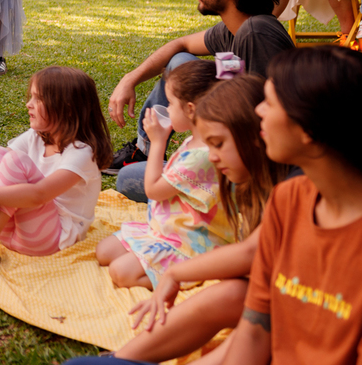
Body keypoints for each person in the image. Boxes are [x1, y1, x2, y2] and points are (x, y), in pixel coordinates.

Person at [71, 46, 362, 365]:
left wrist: (178, 272)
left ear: (309, 127)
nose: (259, 111)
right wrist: (176, 274)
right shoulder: (291, 197)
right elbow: (254, 329)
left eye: (270, 103)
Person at [112, 74, 287, 364]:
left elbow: (250, 254)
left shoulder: (292, 190)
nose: (213, 157)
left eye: (218, 144)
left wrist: (177, 273)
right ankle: (118, 359)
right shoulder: (261, 186)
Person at [107, 0, 293, 200]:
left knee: (129, 179)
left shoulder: (257, 34)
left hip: (254, 172)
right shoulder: (236, 28)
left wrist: (201, 144)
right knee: (180, 63)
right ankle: (144, 147)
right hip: (222, 146)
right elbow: (179, 46)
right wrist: (129, 79)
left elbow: (260, 127)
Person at [0, 67, 113, 273]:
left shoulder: (82, 153)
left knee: (14, 161)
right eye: (31, 97)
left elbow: (38, 195)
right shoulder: (37, 136)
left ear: (67, 109)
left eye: (38, 99)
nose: (29, 104)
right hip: (9, 232)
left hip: (51, 237)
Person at [98, 60, 233, 290]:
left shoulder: (202, 155)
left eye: (170, 104)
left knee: (120, 272)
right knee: (104, 252)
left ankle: (182, 274)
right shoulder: (195, 138)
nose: (167, 110)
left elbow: (153, 190)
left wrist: (158, 141)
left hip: (189, 242)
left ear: (190, 109)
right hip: (166, 227)